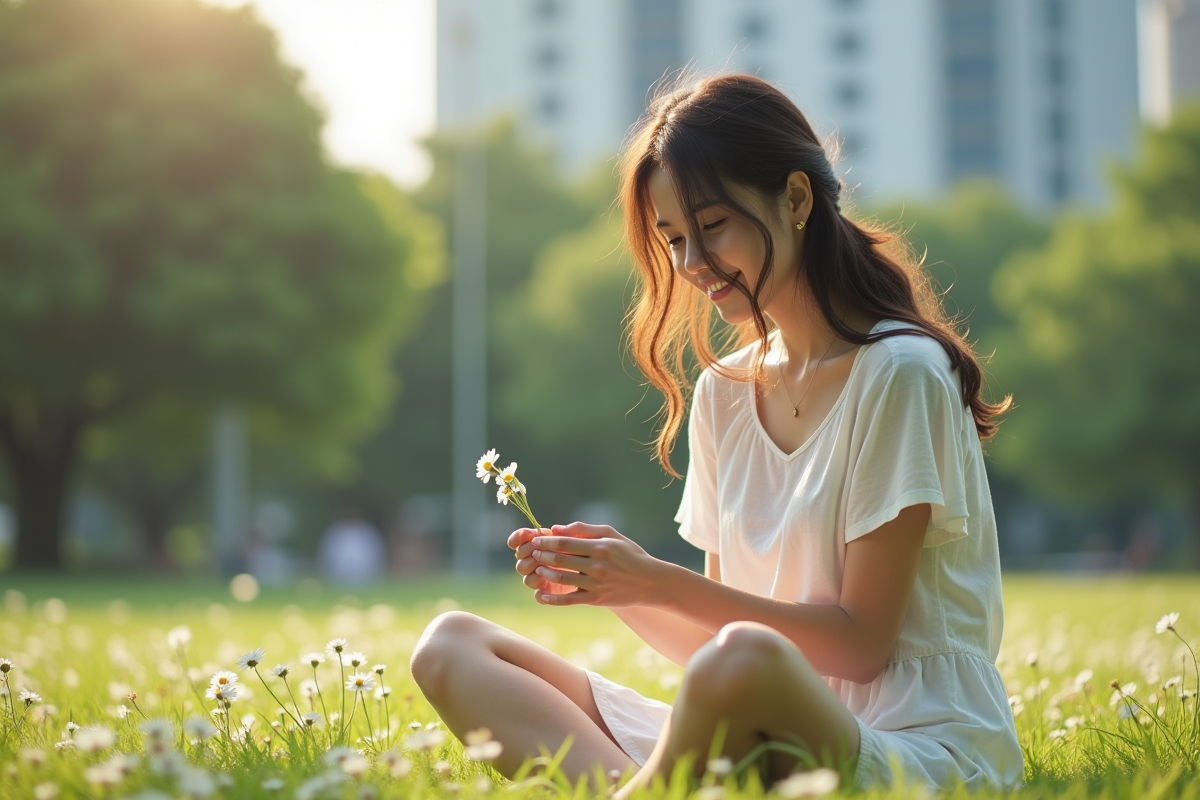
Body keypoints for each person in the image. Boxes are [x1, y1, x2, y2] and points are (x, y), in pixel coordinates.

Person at [410, 73, 1023, 794]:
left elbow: (858, 646)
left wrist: (658, 580)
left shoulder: (901, 374)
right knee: (450, 647)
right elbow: (712, 645)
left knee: (746, 662)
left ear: (796, 200)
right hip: (747, 729)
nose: (692, 263)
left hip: (907, 745)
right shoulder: (724, 393)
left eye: (712, 226)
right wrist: (619, 587)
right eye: (672, 238)